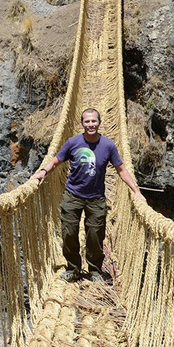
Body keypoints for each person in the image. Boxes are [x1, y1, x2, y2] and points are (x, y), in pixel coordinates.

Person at [30, 108, 145, 282]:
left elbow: (121, 170)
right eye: (87, 121)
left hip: (96, 198)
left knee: (95, 235)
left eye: (93, 121)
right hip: (73, 195)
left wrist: (136, 192)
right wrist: (43, 171)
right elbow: (56, 160)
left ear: (99, 123)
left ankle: (94, 270)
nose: (90, 124)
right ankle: (73, 269)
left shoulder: (108, 146)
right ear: (82, 124)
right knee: (69, 232)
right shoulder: (72, 142)